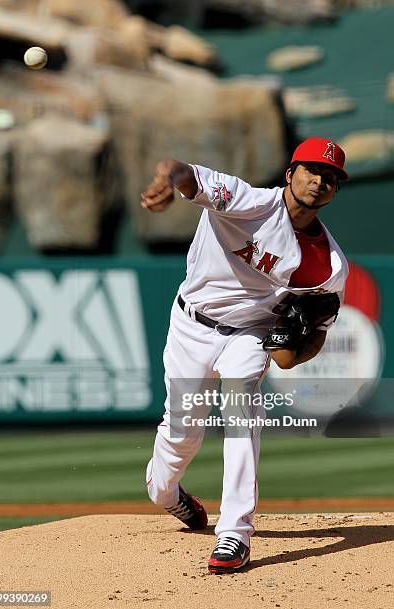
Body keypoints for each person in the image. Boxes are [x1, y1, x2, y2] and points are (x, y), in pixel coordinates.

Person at [141, 137, 349, 574]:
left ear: (334, 190)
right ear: (290, 174)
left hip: (250, 335)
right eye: (312, 170)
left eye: (330, 177)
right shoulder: (245, 201)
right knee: (182, 435)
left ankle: (235, 532)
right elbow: (183, 170)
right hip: (191, 326)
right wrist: (166, 179)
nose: (320, 180)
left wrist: (291, 349)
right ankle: (167, 495)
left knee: (241, 408)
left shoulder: (328, 266)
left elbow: (302, 350)